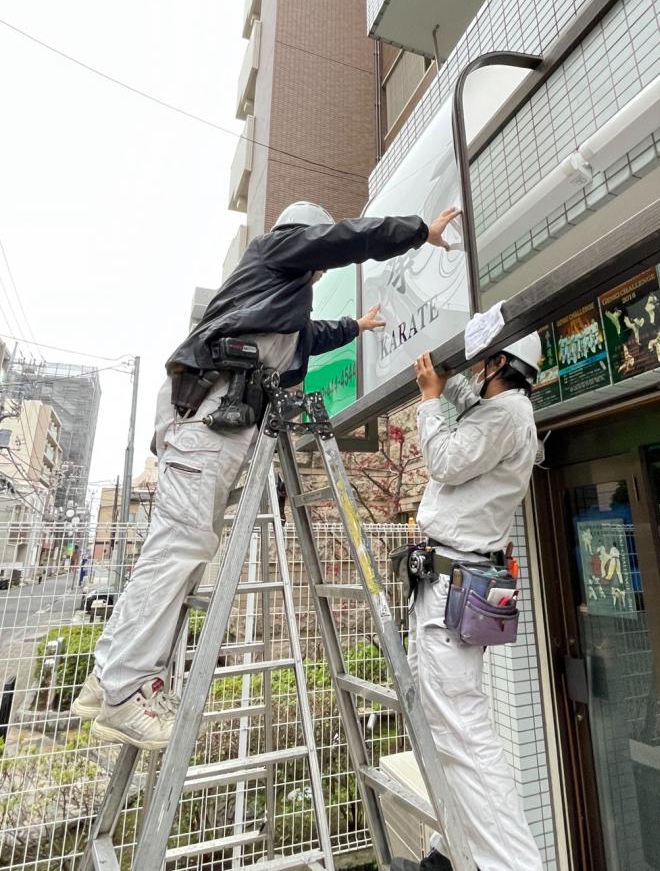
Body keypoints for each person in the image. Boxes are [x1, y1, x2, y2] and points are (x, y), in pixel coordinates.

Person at [72, 200, 461, 750]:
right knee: (177, 551)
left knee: (179, 551)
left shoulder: (274, 307)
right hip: (208, 425)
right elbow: (343, 240)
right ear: (302, 237)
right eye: (317, 254)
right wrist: (419, 231)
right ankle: (124, 691)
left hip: (216, 430)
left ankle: (106, 674)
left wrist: (356, 325)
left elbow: (309, 336)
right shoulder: (274, 252)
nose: (320, 270)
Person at [392, 334, 544, 871]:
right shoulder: (502, 412)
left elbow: (444, 461)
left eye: (483, 361)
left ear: (500, 363)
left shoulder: (505, 416)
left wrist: (429, 401)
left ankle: (512, 864)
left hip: (453, 583)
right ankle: (451, 852)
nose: (476, 372)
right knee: (443, 723)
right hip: (450, 582)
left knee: (462, 727)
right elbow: (467, 410)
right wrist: (446, 382)